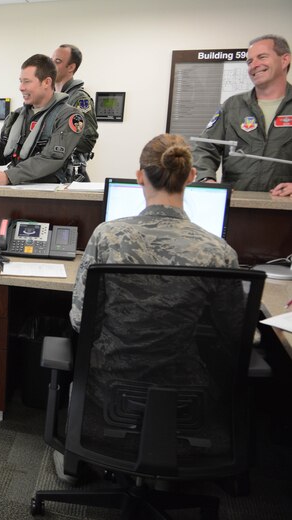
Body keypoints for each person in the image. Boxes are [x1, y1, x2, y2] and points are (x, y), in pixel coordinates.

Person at [61, 134, 240, 483]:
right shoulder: (218, 251)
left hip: (110, 389)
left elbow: (82, 321)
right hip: (185, 398)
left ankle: (76, 462)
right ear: (190, 177)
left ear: (140, 175)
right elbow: (236, 332)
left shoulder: (107, 237)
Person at [192, 34, 292, 195]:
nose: (254, 65)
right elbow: (204, 146)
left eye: (262, 57)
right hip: (238, 206)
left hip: (284, 209)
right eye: (250, 61)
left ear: (285, 60)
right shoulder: (232, 106)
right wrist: (206, 179)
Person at [0, 54, 85, 185]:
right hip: (18, 191)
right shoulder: (17, 116)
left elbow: (51, 159)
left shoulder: (69, 116)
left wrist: (9, 176)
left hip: (49, 197)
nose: (21, 87)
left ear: (46, 82)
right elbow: (3, 154)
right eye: (20, 81)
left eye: (27, 81)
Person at [52, 44, 99, 163]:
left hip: (66, 170)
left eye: (57, 61)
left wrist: (54, 144)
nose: (51, 65)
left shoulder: (79, 99)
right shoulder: (49, 98)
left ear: (71, 67)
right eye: (51, 61)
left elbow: (88, 139)